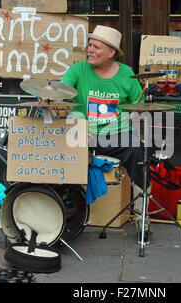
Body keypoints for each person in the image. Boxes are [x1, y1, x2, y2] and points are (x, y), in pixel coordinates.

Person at [60, 25, 149, 226]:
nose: (90, 50)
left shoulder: (127, 74)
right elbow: (61, 92)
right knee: (63, 151)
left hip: (117, 134)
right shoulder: (78, 70)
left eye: (96, 47)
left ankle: (141, 214)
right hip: (85, 132)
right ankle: (68, 206)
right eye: (90, 45)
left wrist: (136, 115)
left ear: (112, 53)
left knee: (138, 151)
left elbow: (139, 106)